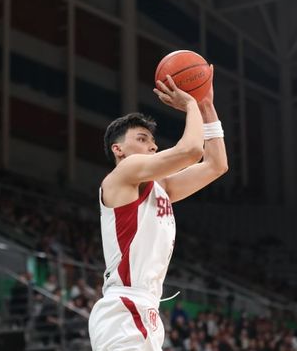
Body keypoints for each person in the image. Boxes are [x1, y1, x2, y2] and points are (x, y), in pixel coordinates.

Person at [88, 72, 228, 350]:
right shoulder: (124, 173)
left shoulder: (162, 187)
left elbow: (216, 165)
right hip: (123, 308)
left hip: (146, 309)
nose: (152, 145)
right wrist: (190, 104)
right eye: (141, 139)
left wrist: (207, 107)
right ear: (118, 149)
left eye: (152, 141)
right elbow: (191, 151)